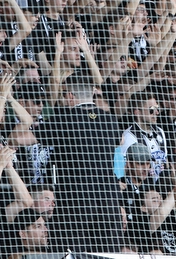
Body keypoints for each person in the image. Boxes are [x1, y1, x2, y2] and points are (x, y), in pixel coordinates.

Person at [36, 74, 123, 251]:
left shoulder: (63, 119)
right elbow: (119, 141)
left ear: (70, 95)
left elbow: (26, 137)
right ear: (92, 92)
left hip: (75, 200)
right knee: (109, 253)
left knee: (74, 252)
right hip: (108, 200)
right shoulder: (110, 120)